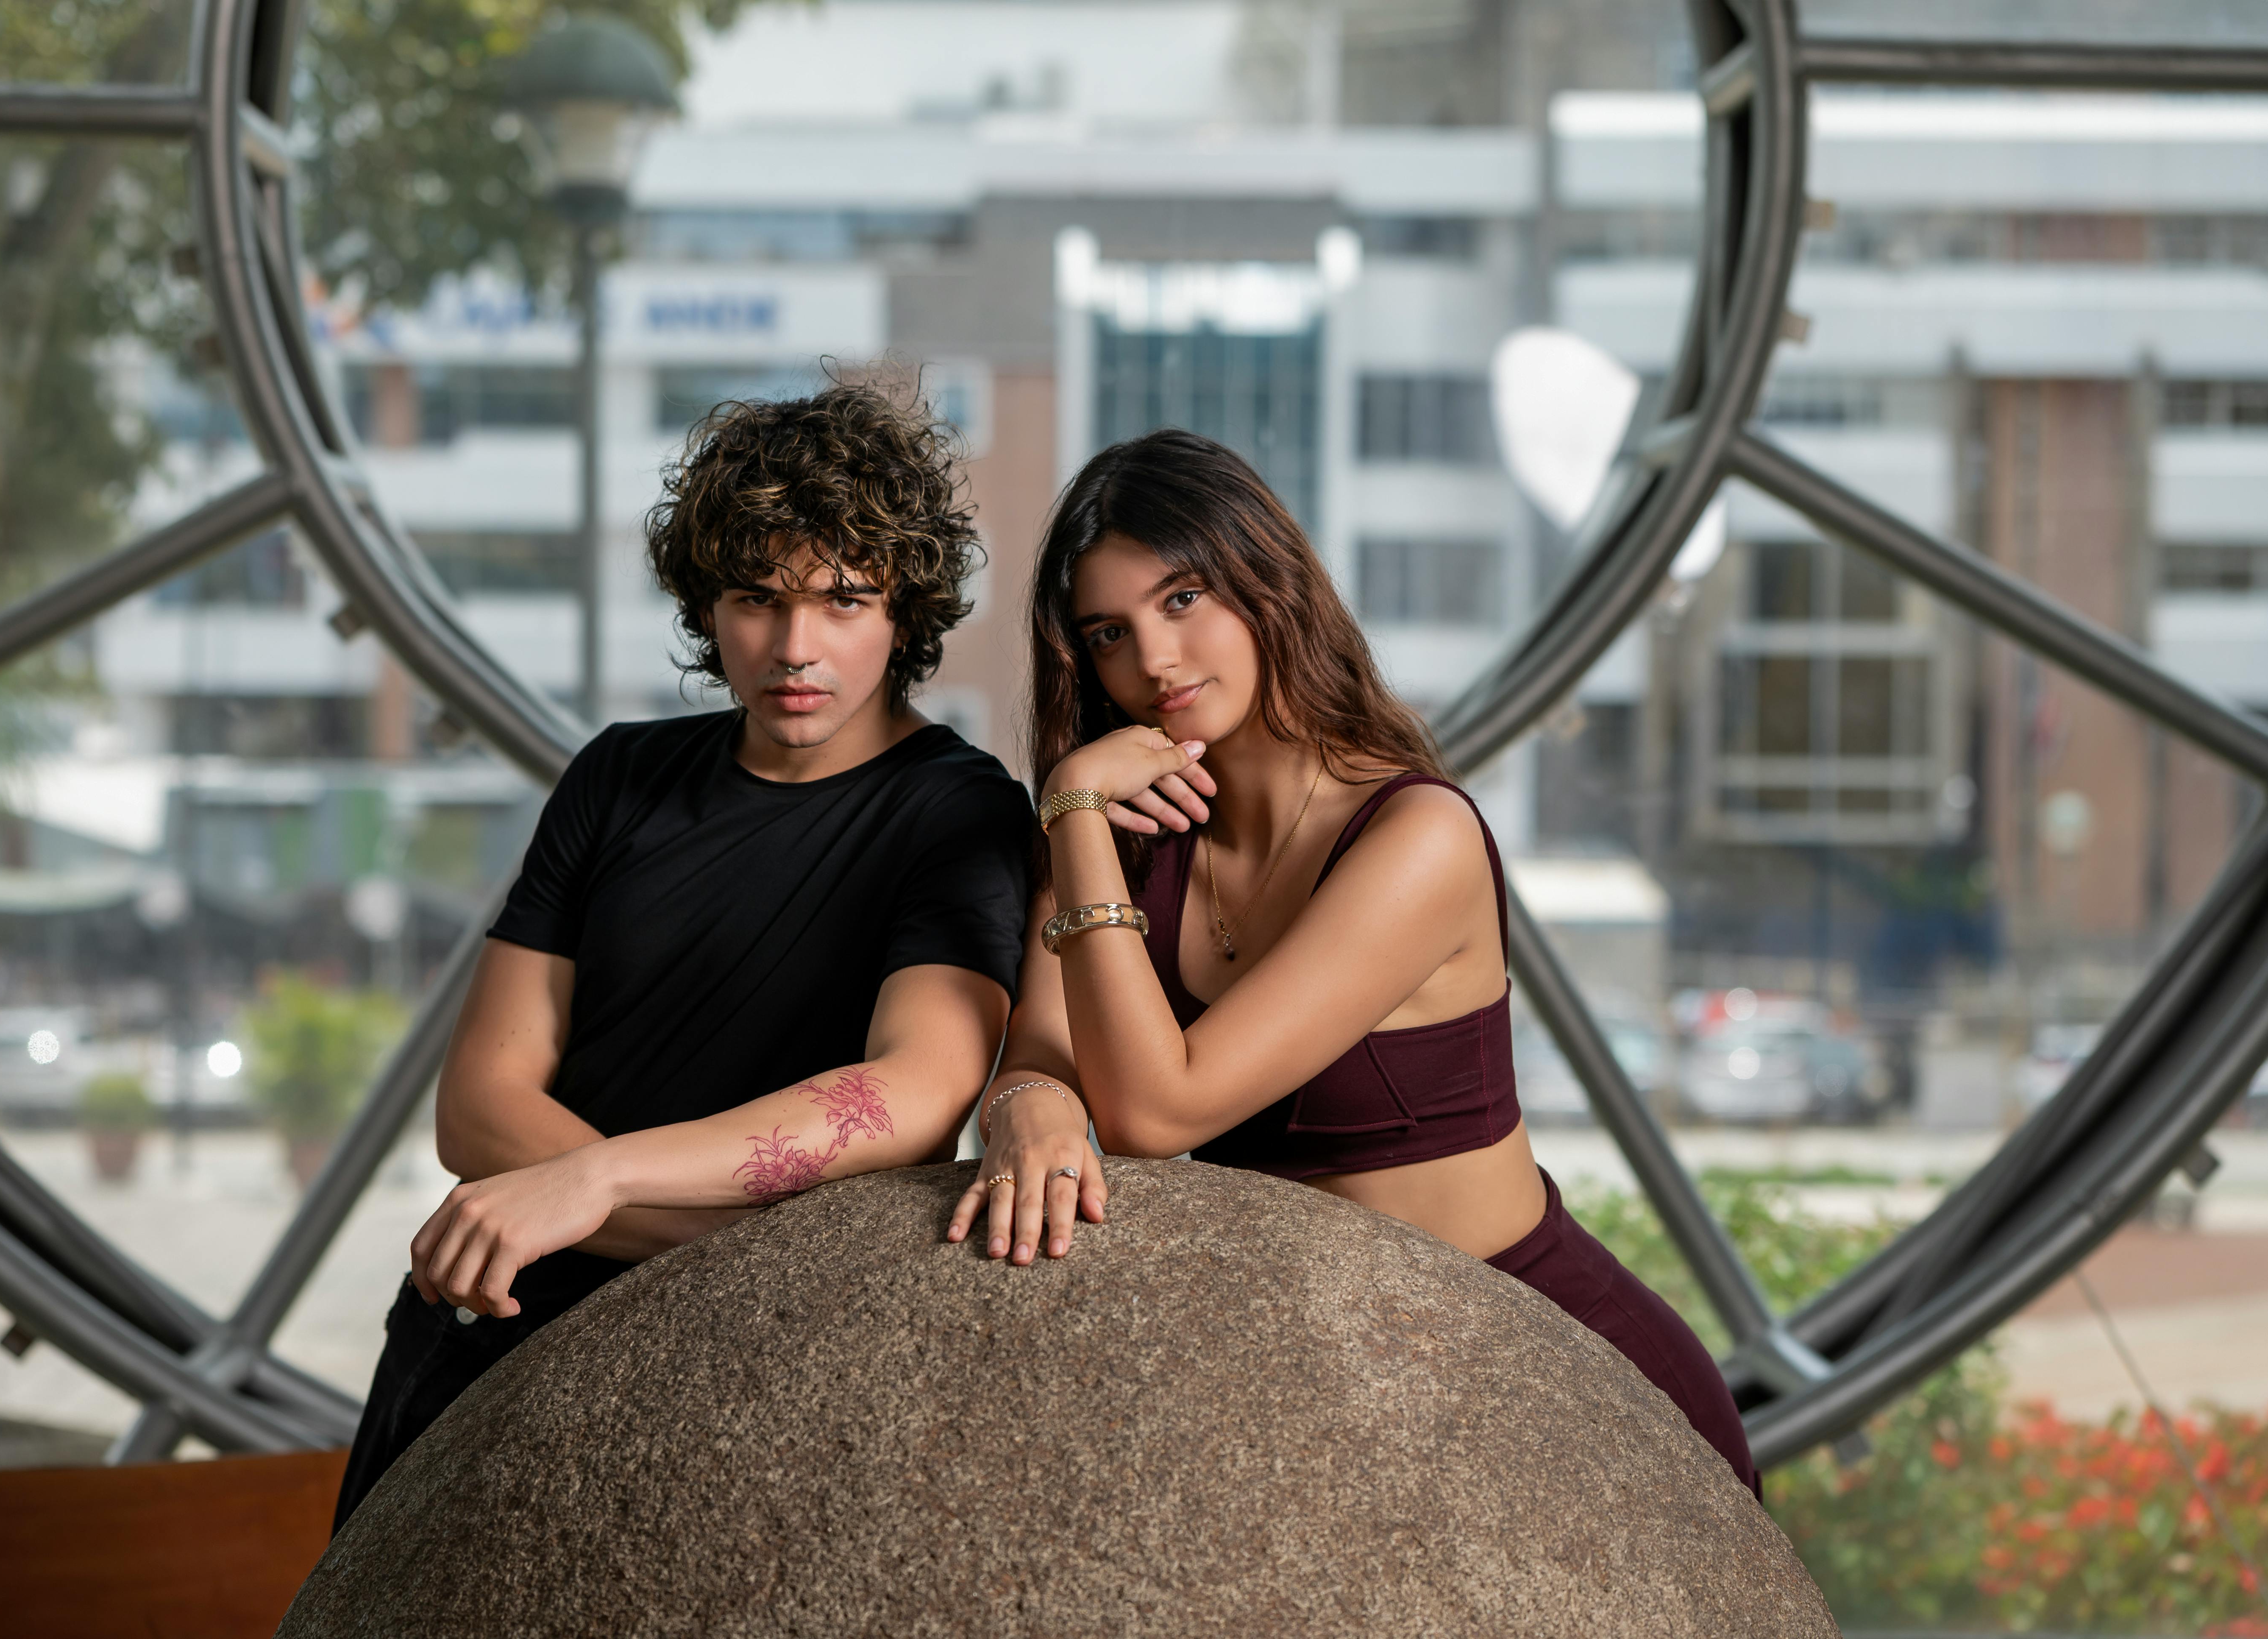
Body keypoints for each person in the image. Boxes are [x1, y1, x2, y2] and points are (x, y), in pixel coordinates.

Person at [945, 428, 1759, 1496]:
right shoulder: (1121, 839)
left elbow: (1154, 1115)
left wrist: (1067, 812)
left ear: (1266, 581)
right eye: (1109, 632)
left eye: (1184, 599)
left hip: (1550, 1360)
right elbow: (1040, 1054)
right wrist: (1027, 1100)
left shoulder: (1416, 836)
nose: (1154, 661)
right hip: (1333, 1376)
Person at [336, 386, 1032, 1528]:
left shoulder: (958, 812)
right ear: (706, 604)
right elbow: (477, 1108)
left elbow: (908, 1093)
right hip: (487, 1327)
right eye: (758, 599)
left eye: (843, 600)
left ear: (904, 612)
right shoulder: (620, 776)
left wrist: (592, 1181)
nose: (795, 646)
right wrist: (742, 1241)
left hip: (746, 1366)